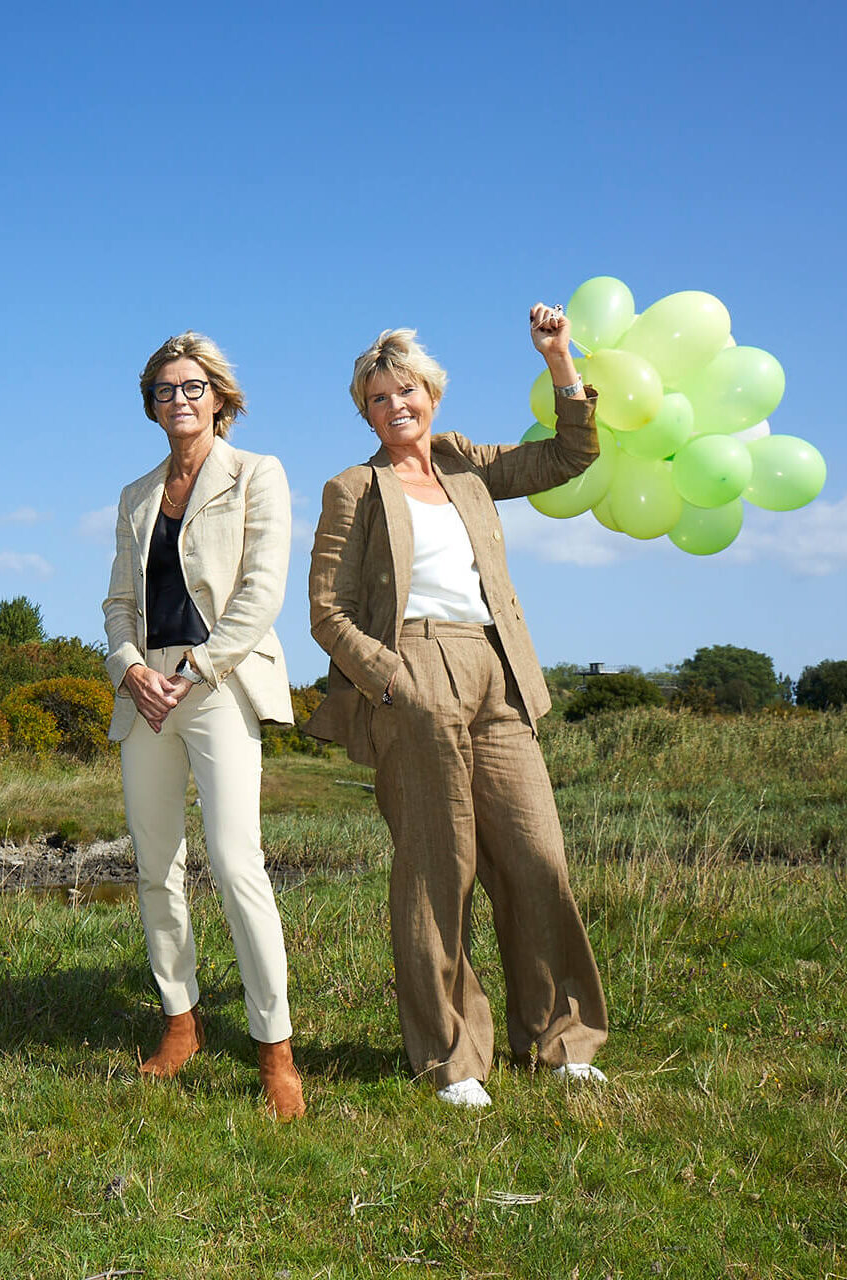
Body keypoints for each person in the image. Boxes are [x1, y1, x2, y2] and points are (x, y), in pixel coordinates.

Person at [307, 305, 609, 1108]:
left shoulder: (467, 465)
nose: (394, 406)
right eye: (377, 398)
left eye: (405, 391)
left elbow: (569, 456)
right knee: (438, 871)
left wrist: (559, 360)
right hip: (414, 664)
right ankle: (450, 1057)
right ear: (363, 410)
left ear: (431, 395)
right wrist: (391, 679)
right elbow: (325, 611)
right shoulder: (351, 489)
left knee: (536, 855)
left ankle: (559, 1038)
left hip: (497, 666)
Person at [104, 331, 304, 1120]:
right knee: (157, 866)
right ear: (150, 405)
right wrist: (131, 669)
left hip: (217, 683)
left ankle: (274, 1049)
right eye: (164, 390)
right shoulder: (133, 495)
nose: (178, 400)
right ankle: (179, 1025)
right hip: (146, 690)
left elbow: (261, 593)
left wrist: (194, 670)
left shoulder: (259, 475)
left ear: (220, 397)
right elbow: (118, 603)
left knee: (234, 862)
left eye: (192, 387)